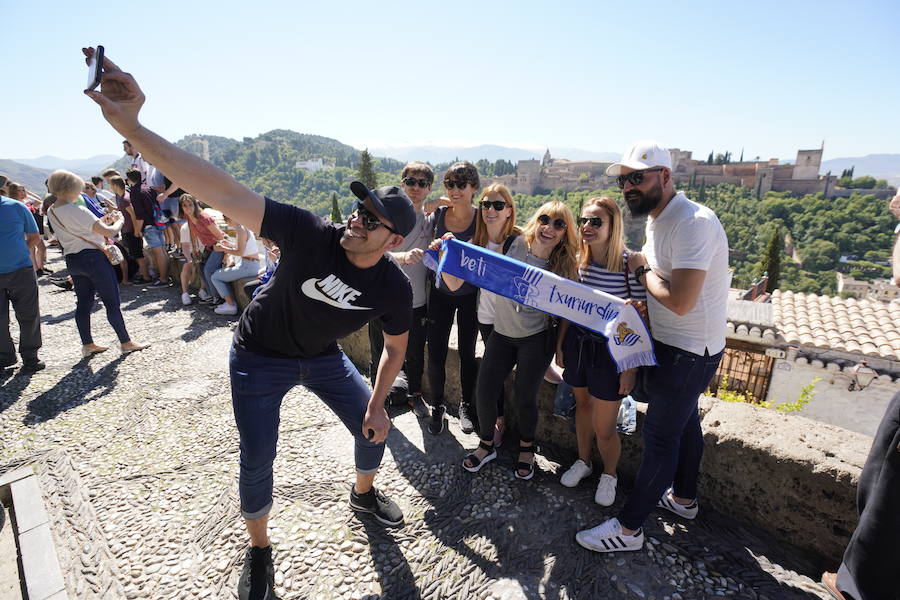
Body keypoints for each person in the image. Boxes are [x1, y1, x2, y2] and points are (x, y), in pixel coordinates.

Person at [83, 47, 417, 600]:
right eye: (358, 210)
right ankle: (259, 549)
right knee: (259, 453)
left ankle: (363, 494)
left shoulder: (392, 287)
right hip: (259, 356)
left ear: (394, 240)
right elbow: (224, 189)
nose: (356, 220)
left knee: (372, 425)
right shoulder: (310, 232)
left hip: (324, 359)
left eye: (372, 220)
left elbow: (395, 350)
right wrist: (134, 127)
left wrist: (380, 402)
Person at [575, 140, 730, 553]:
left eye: (637, 178)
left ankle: (628, 530)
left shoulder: (693, 221)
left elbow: (680, 301)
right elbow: (664, 289)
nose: (629, 187)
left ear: (665, 176)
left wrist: (642, 272)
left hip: (688, 352)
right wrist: (646, 293)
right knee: (687, 425)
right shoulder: (659, 220)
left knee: (661, 440)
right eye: (625, 180)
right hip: (675, 346)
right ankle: (683, 499)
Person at [460, 201, 578, 479]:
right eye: (545, 219)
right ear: (536, 220)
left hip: (537, 339)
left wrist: (559, 346)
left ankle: (527, 448)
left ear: (565, 232)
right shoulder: (514, 242)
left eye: (559, 224)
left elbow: (567, 312)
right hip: (502, 333)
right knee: (485, 391)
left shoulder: (564, 264)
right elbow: (487, 225)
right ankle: (486, 444)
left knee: (525, 397)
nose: (549, 228)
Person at [556, 197, 647, 506]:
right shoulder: (579, 262)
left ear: (613, 225)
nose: (587, 227)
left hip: (611, 353)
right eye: (584, 221)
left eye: (596, 222)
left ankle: (610, 474)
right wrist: (560, 345)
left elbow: (638, 320)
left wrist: (630, 368)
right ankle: (584, 461)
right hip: (578, 345)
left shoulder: (627, 264)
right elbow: (570, 308)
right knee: (582, 406)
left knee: (606, 426)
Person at [45, 169, 149, 358]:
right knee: (111, 301)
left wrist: (103, 222)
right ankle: (126, 342)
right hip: (93, 258)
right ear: (71, 187)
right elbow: (109, 233)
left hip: (72, 259)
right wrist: (119, 220)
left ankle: (87, 344)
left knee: (83, 303)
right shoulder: (78, 209)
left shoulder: (53, 210)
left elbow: (82, 228)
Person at [367, 161, 434, 418]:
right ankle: (378, 400)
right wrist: (403, 256)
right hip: (381, 297)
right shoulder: (386, 220)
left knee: (416, 352)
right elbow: (373, 252)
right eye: (410, 182)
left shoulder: (431, 222)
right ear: (402, 184)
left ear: (428, 188)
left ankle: (414, 396)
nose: (415, 187)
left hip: (417, 300)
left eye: (421, 183)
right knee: (378, 350)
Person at [426, 161, 481, 435]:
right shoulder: (438, 215)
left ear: (474, 187)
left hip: (471, 296)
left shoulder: (483, 217)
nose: (455, 190)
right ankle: (437, 405)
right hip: (440, 295)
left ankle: (466, 405)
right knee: (435, 352)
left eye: (461, 184)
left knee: (468, 354)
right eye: (450, 184)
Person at [472, 183, 522, 446]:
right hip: (486, 318)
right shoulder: (475, 243)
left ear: (509, 210)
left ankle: (498, 427)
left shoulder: (521, 242)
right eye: (486, 204)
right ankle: (497, 422)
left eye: (498, 205)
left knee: (500, 375)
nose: (491, 210)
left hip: (512, 323)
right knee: (495, 376)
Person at [0, 185, 44, 372]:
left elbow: (34, 237)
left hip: (21, 270)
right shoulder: (16, 206)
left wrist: (20, 251)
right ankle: (5, 358)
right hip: (19, 268)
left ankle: (30, 357)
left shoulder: (17, 207)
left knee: (28, 315)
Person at [125, 168, 170, 286]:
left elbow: (139, 215)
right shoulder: (148, 188)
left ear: (129, 179)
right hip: (158, 223)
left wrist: (138, 230)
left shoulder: (135, 192)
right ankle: (165, 277)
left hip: (149, 226)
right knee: (163, 252)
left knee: (159, 252)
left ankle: (164, 279)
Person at [209, 215, 261, 316]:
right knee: (220, 274)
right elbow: (242, 248)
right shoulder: (243, 227)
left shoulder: (240, 229)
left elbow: (240, 252)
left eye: (225, 219)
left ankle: (231, 305)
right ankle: (229, 303)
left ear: (229, 219)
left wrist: (222, 249)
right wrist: (228, 244)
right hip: (251, 264)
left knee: (215, 276)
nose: (226, 222)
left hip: (247, 266)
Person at [180, 193, 227, 305]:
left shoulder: (204, 218)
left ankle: (218, 298)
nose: (188, 208)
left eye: (190, 205)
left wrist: (227, 254)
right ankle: (212, 295)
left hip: (218, 245)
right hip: (208, 247)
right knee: (201, 268)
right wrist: (195, 248)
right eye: (185, 206)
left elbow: (220, 236)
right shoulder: (189, 217)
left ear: (195, 204)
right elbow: (192, 232)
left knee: (209, 270)